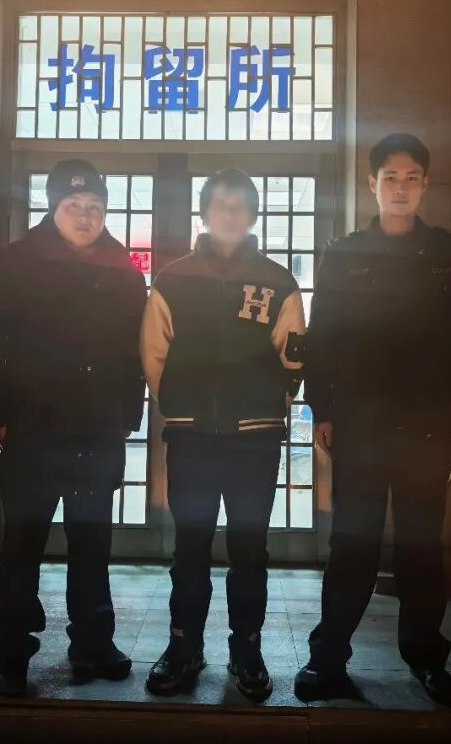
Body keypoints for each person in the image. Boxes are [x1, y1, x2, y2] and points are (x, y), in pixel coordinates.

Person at [294, 134, 451, 708]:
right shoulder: (343, 253)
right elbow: (323, 336)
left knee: (420, 547)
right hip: (359, 424)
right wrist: (322, 408)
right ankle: (327, 659)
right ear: (372, 184)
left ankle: (427, 659)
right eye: (391, 177)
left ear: (426, 184)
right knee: (352, 544)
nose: (401, 188)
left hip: (426, 423)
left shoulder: (449, 254)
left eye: (412, 178)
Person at [0, 159, 147, 697]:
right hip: (32, 427)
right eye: (73, 205)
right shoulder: (16, 263)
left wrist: (128, 413)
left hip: (96, 429)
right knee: (22, 545)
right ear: (53, 207)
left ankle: (93, 643)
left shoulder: (123, 269)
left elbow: (134, 350)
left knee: (92, 543)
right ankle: (13, 653)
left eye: (94, 207)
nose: (85, 216)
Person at [140, 169, 306, 702]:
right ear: (205, 212)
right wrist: (181, 406)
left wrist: (267, 405)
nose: (230, 213)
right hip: (191, 437)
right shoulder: (173, 279)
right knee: (189, 547)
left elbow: (292, 355)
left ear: (253, 214)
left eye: (240, 205)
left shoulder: (278, 281)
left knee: (249, 548)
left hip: (255, 438)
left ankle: (247, 649)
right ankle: (183, 645)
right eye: (220, 204)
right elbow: (155, 354)